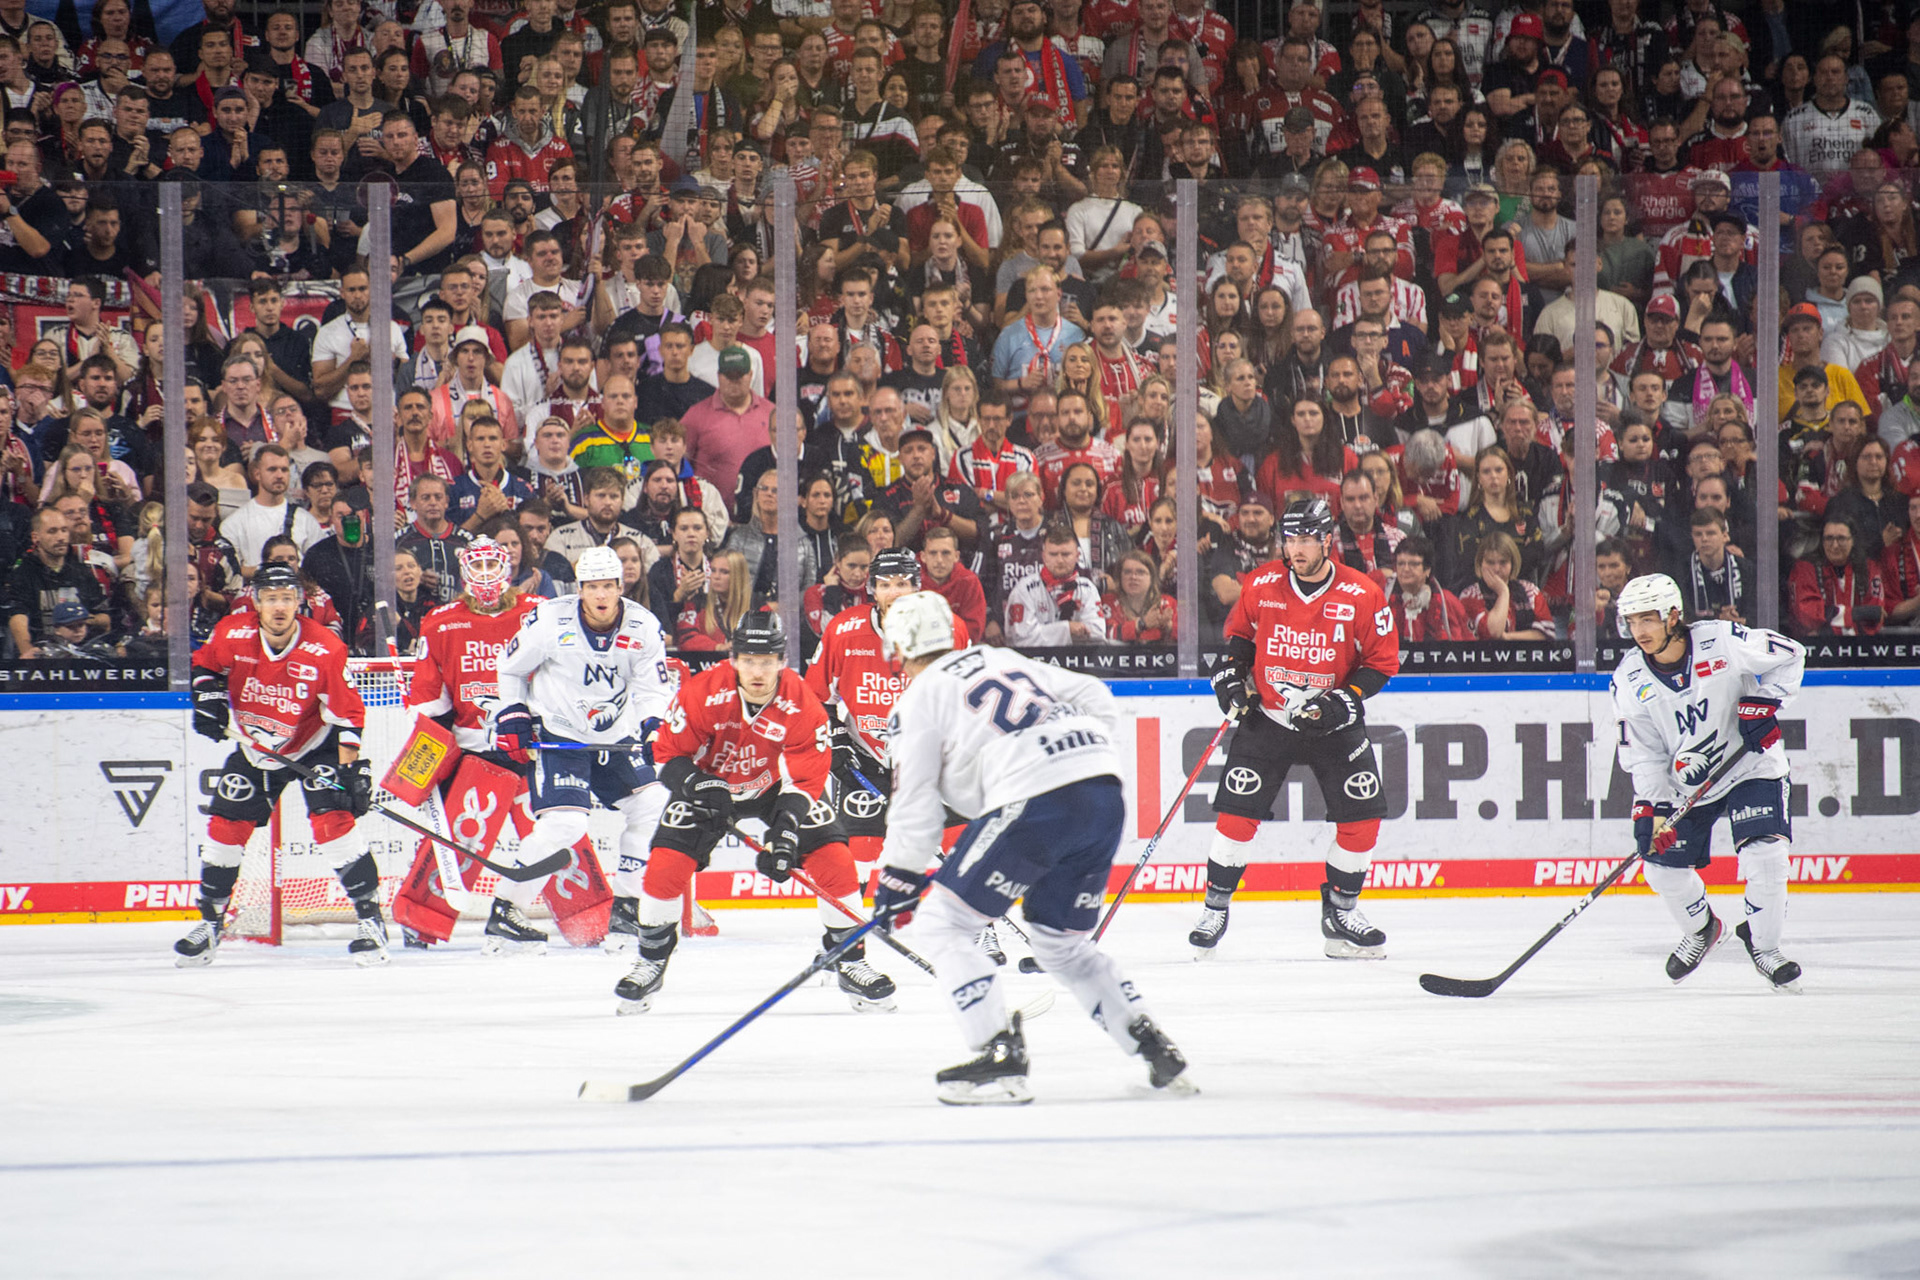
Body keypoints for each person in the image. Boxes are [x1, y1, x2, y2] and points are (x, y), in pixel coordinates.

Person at [870, 591, 1193, 1104]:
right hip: (1101, 792)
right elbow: (1094, 695)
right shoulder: (1002, 658)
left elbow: (915, 803)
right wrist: (1085, 753)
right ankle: (1151, 1043)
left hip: (1034, 801)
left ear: (899, 648)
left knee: (942, 924)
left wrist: (897, 879)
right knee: (1059, 942)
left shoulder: (920, 696)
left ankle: (999, 1056)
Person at [619, 612, 897, 1014]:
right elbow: (666, 756)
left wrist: (784, 832)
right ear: (733, 659)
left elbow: (805, 779)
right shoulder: (701, 693)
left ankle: (851, 961)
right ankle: (650, 960)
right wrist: (697, 784)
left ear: (782, 661)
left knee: (834, 857)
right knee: (665, 865)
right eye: (749, 660)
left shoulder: (801, 701)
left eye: (767, 661)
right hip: (707, 786)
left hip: (770, 787)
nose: (757, 671)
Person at [1195, 497, 1399, 959]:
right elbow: (1240, 638)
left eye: (1306, 539)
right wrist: (1229, 675)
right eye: (1290, 539)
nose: (1296, 549)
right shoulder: (1262, 583)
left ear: (1327, 539)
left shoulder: (1362, 593)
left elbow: (1382, 663)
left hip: (1332, 721)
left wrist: (1345, 701)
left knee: (1363, 819)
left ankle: (1341, 911)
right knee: (1235, 818)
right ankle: (1214, 907)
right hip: (1269, 716)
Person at [402, 537, 624, 951]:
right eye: (477, 567)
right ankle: (421, 923)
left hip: (535, 747)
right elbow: (432, 705)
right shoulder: (440, 622)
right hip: (476, 754)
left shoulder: (541, 613)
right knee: (461, 839)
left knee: (561, 833)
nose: (486, 576)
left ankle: (590, 922)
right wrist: (419, 716)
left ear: (508, 568)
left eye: (493, 566)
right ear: (464, 572)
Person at [1609, 572, 1807, 989]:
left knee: (1767, 858)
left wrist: (1765, 703)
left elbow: (1791, 654)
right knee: (1658, 870)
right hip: (1688, 785)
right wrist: (1653, 807)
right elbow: (1644, 754)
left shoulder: (1722, 641)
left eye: (1647, 619)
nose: (1639, 631)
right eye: (1631, 622)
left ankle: (1765, 947)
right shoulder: (1629, 680)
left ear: (1672, 615)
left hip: (1750, 766)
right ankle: (1702, 929)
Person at [179, 564, 382, 966]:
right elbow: (205, 666)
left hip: (314, 744)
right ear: (256, 602)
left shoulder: (325, 647)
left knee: (334, 823)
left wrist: (346, 770)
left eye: (287, 598)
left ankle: (371, 922)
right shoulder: (232, 632)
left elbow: (348, 715)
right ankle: (210, 922)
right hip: (256, 747)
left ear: (299, 602)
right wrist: (208, 699)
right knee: (225, 827)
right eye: (270, 598)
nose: (279, 607)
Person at [491, 545, 674, 958]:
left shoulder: (643, 626)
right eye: (593, 586)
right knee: (566, 827)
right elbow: (511, 667)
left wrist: (652, 724)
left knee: (653, 805)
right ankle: (507, 912)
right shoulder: (549, 620)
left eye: (608, 585)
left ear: (620, 586)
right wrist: (513, 711)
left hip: (615, 738)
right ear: (581, 588)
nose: (601, 595)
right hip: (562, 734)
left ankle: (627, 910)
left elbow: (653, 687)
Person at [805, 547, 974, 884]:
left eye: (902, 584)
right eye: (884, 584)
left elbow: (968, 700)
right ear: (872, 589)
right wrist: (836, 740)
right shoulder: (843, 631)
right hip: (866, 762)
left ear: (917, 586)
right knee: (858, 854)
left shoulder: (948, 630)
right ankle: (853, 932)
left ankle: (981, 931)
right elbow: (815, 698)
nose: (894, 593)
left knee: (962, 847)